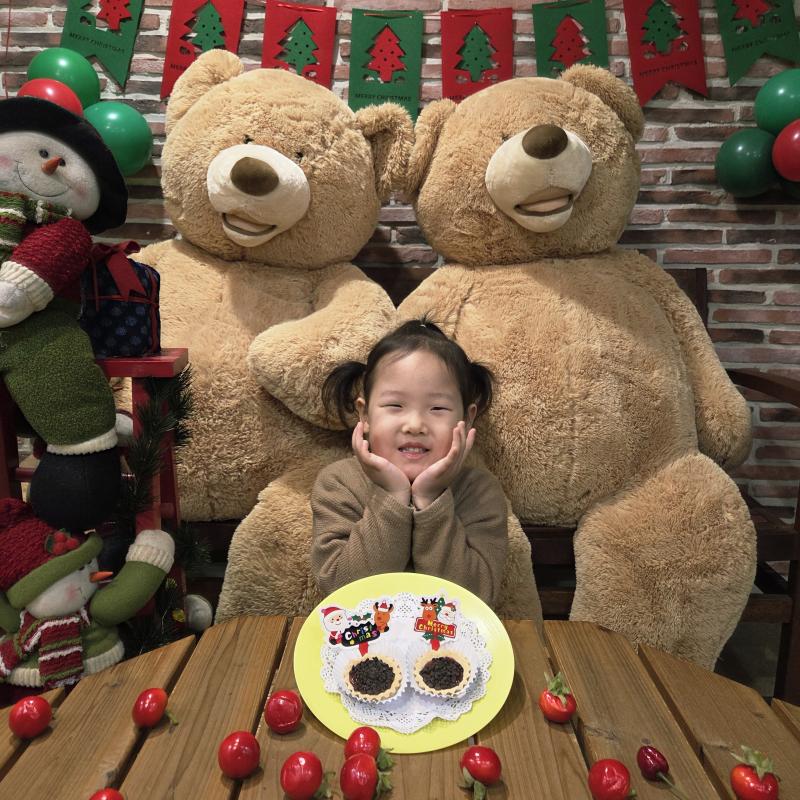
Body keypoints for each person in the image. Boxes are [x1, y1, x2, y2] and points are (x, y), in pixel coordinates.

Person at [311, 318, 510, 608]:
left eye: (437, 408)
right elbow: (341, 592)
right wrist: (392, 496)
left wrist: (431, 500)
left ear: (467, 420)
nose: (415, 425)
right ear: (365, 415)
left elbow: (476, 598)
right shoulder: (339, 484)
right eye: (395, 405)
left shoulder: (479, 491)